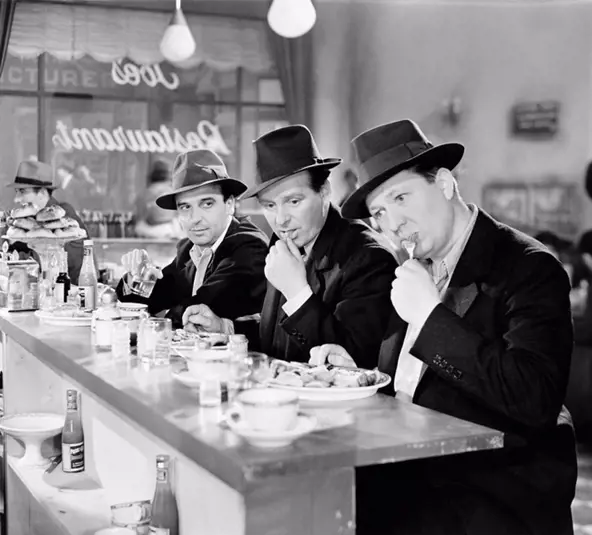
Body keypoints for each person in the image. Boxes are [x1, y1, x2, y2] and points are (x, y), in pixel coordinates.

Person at [314, 119, 577, 535]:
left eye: (402, 197)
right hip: (410, 482)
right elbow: (412, 383)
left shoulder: (529, 267)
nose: (392, 222)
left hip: (491, 496)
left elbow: (535, 398)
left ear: (444, 183)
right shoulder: (415, 268)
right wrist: (356, 372)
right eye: (380, 212)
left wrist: (431, 316)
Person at [183, 125, 397, 368]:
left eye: (293, 201)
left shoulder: (369, 257)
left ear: (324, 191)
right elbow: (279, 335)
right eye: (270, 206)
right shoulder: (284, 240)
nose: (281, 219)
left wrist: (297, 292)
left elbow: (352, 360)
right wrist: (226, 327)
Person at [116, 149, 268, 336]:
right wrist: (138, 275)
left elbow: (199, 308)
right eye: (185, 207)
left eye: (207, 204)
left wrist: (162, 314)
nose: (195, 218)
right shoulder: (189, 248)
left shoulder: (248, 246)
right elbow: (150, 299)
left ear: (229, 204)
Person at [5, 160, 90, 282]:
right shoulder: (27, 221)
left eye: (22, 192)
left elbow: (65, 262)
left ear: (42, 192)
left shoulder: (64, 218)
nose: (17, 199)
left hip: (73, 293)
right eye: (17, 192)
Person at [134, 159, 184, 239]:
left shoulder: (144, 194)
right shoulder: (172, 191)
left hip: (152, 233)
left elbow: (140, 216)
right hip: (169, 232)